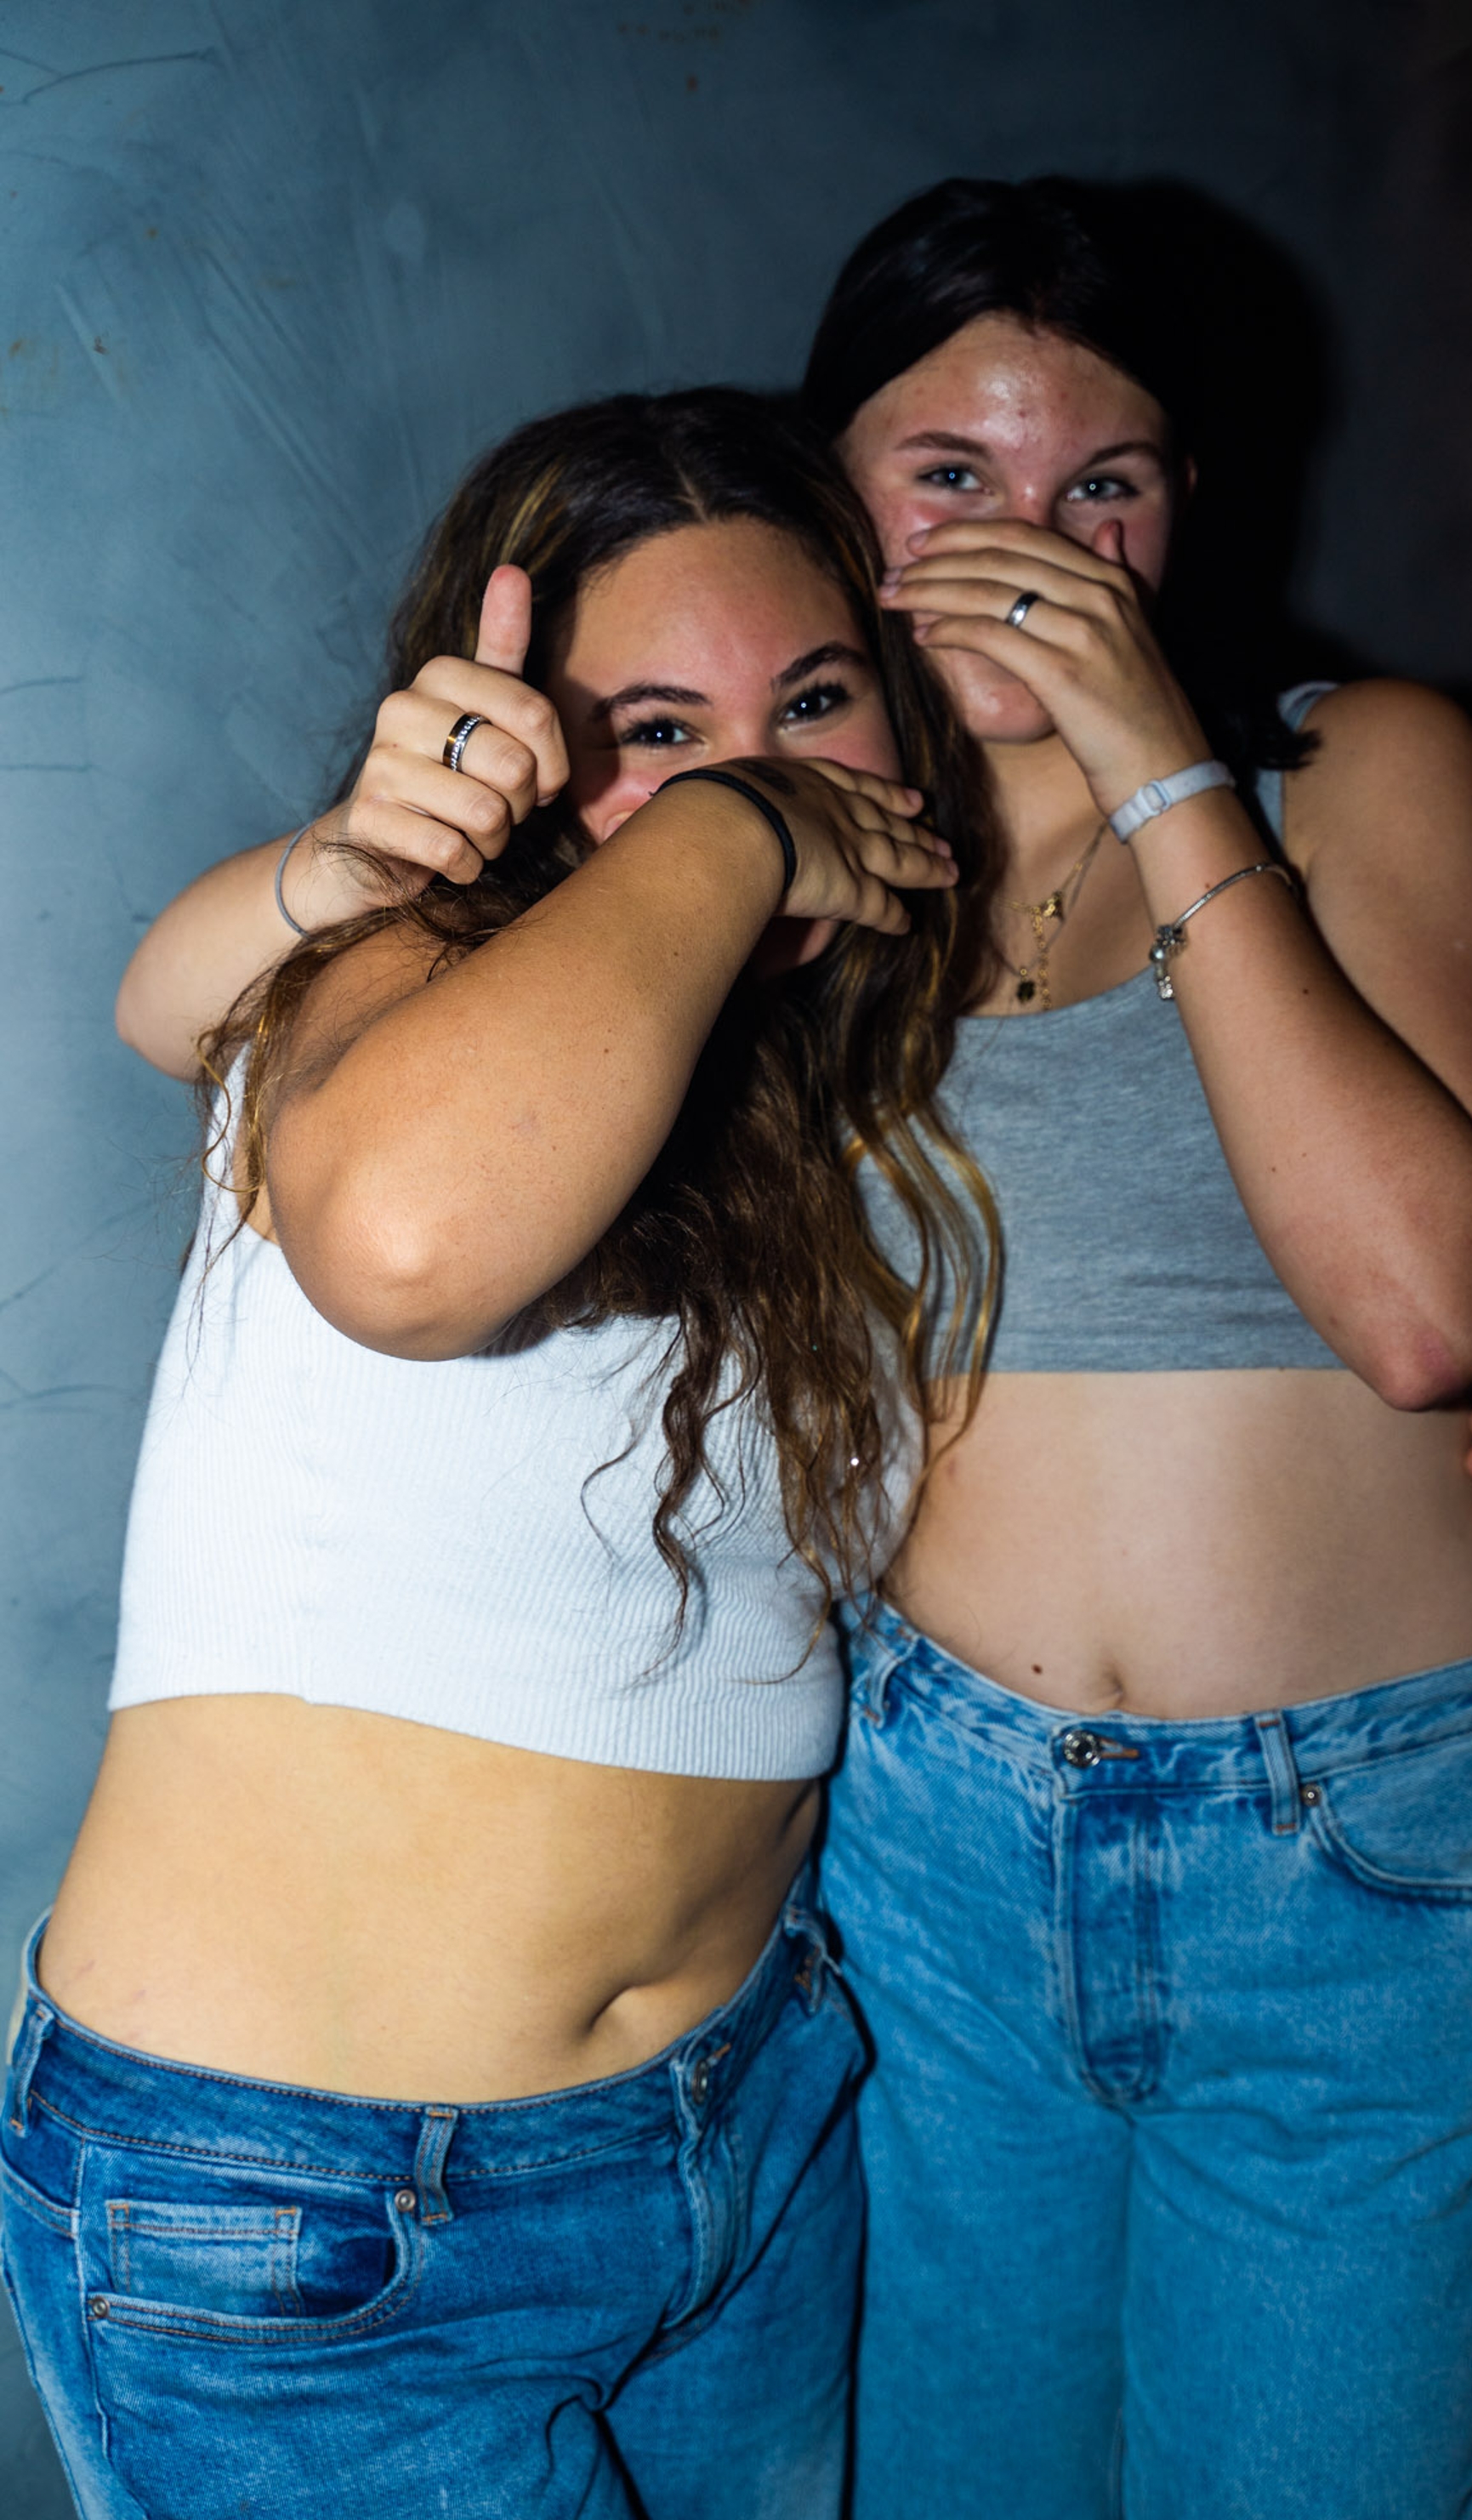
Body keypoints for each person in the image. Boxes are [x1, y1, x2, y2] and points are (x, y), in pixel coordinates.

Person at [102, 185, 1472, 2520]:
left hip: (1286, 1875)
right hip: (918, 1856)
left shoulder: (1276, 794)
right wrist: (393, 854)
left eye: (1106, 481)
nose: (1036, 541)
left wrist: (1156, 764)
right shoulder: (715, 923)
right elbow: (222, 1047)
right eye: (952, 474)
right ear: (842, 516)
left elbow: (1419, 1308)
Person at [0, 388, 983, 2520]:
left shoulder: (830, 1108)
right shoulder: (397, 969)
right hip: (320, 2217)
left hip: (745, 2132)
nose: (768, 770)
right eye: (658, 729)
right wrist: (742, 827)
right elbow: (407, 1243)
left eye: (815, 702)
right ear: (519, 756)